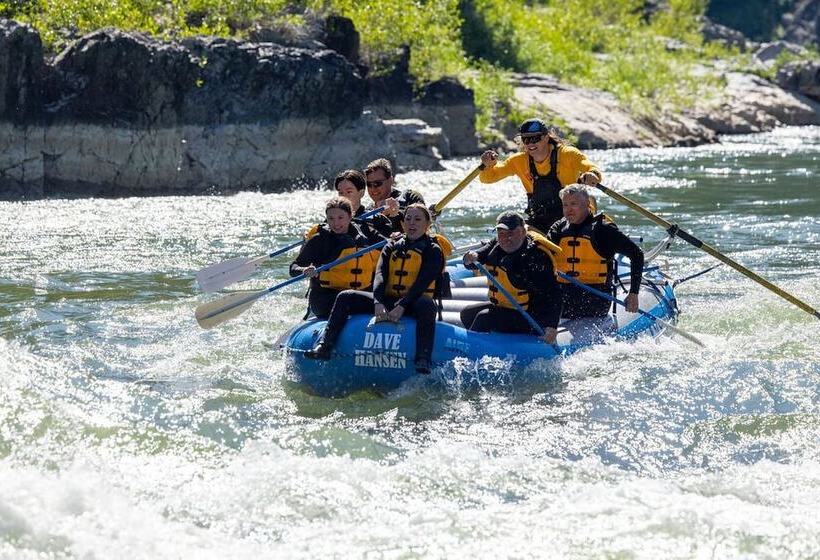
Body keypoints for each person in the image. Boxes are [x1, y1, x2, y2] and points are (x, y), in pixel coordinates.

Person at [305, 204, 444, 374]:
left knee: (427, 305)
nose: (411, 224)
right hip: (387, 301)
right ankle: (324, 346)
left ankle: (423, 358)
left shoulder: (433, 250)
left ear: (427, 224)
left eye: (417, 219)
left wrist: (402, 306)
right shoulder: (392, 245)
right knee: (345, 296)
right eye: (408, 219)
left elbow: (422, 283)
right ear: (402, 223)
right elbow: (380, 275)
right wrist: (378, 302)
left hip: (414, 302)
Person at [479, 118, 603, 233]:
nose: (530, 144)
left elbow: (589, 166)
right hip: (540, 220)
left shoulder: (567, 154)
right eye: (526, 139)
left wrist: (592, 174)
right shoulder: (518, 161)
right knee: (518, 232)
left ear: (546, 137)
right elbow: (487, 178)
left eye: (535, 138)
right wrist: (487, 165)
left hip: (575, 217)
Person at [461, 211, 563, 343]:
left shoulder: (535, 257)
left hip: (532, 316)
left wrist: (552, 327)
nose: (506, 239)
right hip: (507, 308)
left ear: (522, 232)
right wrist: (469, 257)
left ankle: (470, 351)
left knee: (484, 318)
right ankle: (489, 345)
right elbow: (475, 260)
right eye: (501, 234)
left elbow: (554, 293)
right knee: (467, 314)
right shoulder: (496, 244)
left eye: (511, 233)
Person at [547, 184, 644, 319]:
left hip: (595, 300)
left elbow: (637, 254)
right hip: (563, 297)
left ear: (587, 204)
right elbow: (542, 255)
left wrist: (633, 293)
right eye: (565, 205)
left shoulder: (603, 230)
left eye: (573, 204)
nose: (569, 210)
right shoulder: (558, 228)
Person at [289, 197, 383, 319]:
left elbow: (390, 245)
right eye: (331, 219)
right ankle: (328, 337)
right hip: (325, 298)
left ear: (350, 217)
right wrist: (304, 270)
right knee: (345, 298)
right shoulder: (319, 240)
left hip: (359, 294)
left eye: (340, 218)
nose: (336, 223)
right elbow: (293, 268)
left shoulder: (367, 233)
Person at [364, 158, 426, 233]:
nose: (373, 188)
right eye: (369, 184)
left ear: (391, 180)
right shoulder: (367, 212)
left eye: (377, 183)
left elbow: (421, 223)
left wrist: (396, 214)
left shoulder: (411, 197)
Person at [333, 169, 394, 239]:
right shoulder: (333, 221)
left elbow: (390, 242)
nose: (344, 196)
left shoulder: (377, 219)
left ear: (361, 193)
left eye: (349, 192)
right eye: (341, 193)